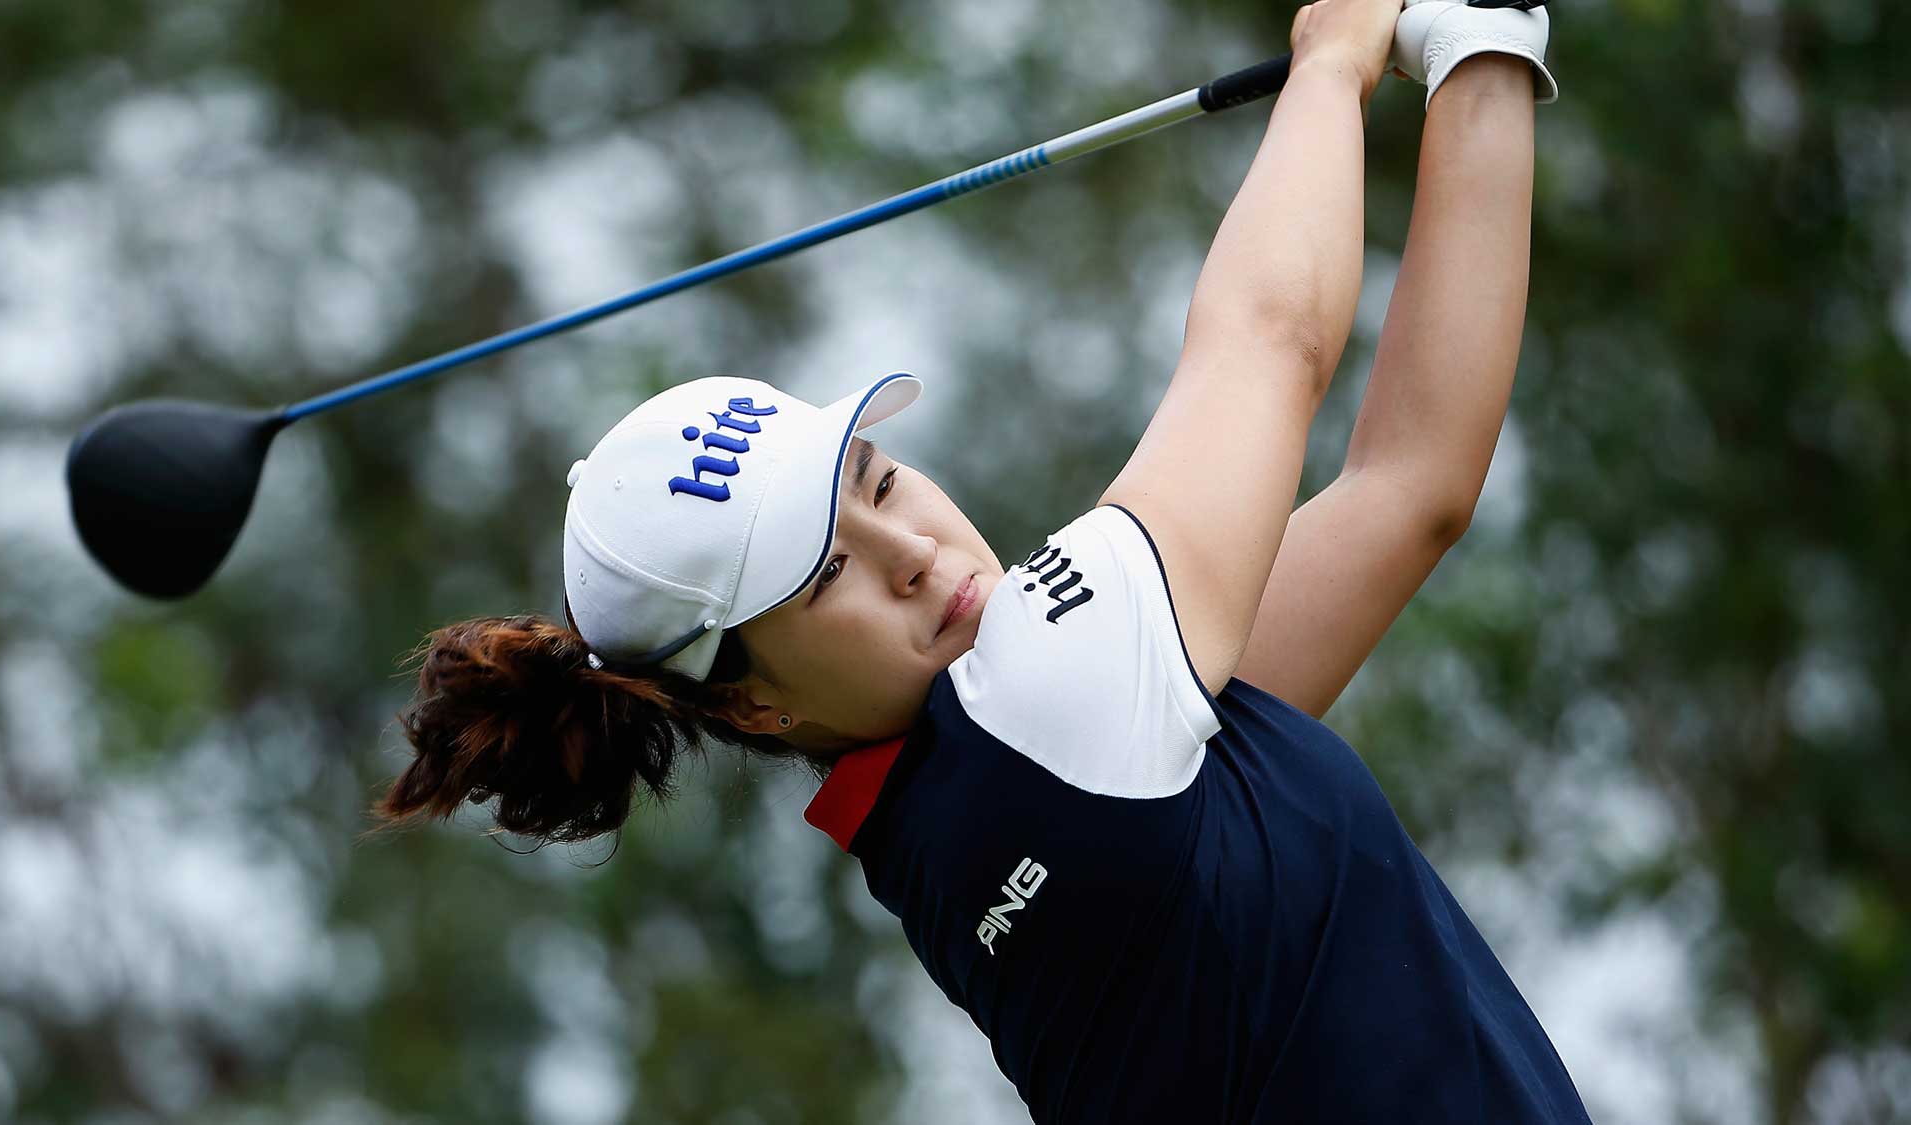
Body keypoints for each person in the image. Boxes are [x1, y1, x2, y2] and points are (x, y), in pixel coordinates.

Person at [373, 0, 1589, 1119]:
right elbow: (1269, 343)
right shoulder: (1040, 716)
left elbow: (1408, 487)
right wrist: (1330, 63)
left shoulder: (1012, 796)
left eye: (881, 483)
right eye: (826, 574)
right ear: (747, 698)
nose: (908, 551)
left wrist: (1478, 49)